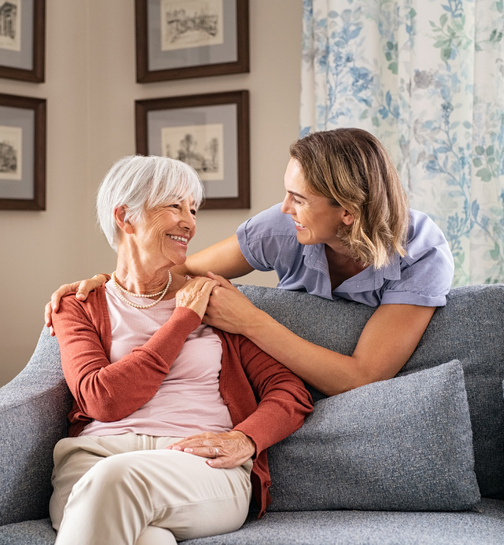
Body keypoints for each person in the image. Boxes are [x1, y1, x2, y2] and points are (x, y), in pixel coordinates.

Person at [46, 128, 454, 397]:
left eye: (299, 199)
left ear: (347, 211)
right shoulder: (281, 227)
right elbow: (178, 271)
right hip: (280, 386)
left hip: (353, 399)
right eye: (286, 192)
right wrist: (108, 282)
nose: (283, 207)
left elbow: (363, 377)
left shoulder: (421, 252)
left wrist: (249, 320)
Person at [49, 155, 313, 545]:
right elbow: (103, 401)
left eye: (192, 209)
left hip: (198, 464)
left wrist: (246, 439)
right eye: (174, 205)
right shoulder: (79, 304)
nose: (189, 222)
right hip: (94, 459)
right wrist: (182, 321)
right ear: (126, 217)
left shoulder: (215, 300)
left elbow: (290, 392)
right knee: (149, 539)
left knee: (116, 481)